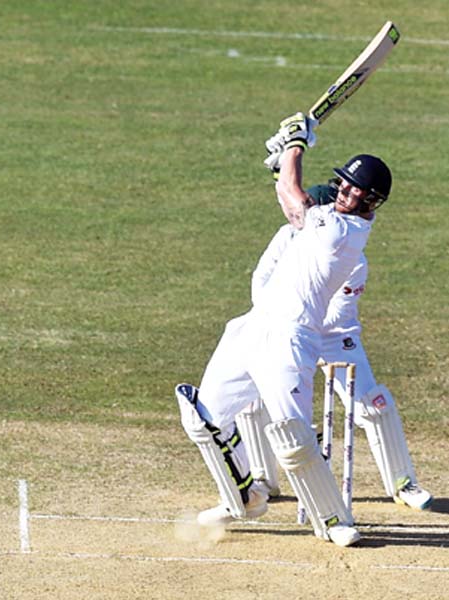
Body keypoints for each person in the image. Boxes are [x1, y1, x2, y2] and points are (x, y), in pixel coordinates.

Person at [174, 112, 392, 547]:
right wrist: (282, 160)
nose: (346, 192)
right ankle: (244, 498)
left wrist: (295, 144)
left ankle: (333, 520)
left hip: (291, 339)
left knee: (292, 436)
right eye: (344, 184)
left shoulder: (344, 233)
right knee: (203, 416)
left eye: (357, 191)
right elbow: (294, 196)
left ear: (371, 203)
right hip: (253, 328)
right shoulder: (325, 218)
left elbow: (294, 197)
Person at [236, 183, 432, 512]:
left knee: (373, 406)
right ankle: (263, 479)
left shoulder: (351, 254)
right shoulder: (286, 236)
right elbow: (261, 279)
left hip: (334, 336)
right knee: (252, 400)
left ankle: (403, 483)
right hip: (282, 326)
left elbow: (335, 313)